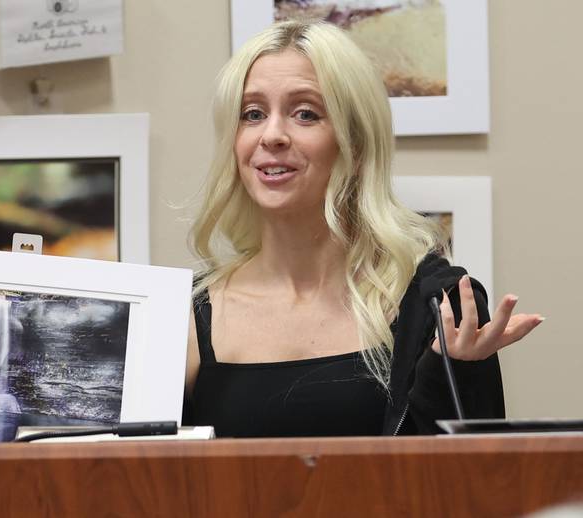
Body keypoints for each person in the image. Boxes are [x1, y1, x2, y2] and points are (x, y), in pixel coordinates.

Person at [181, 21, 543, 437]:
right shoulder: (185, 318)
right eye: (253, 114)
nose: (273, 135)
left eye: (305, 113)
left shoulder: (437, 306)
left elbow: (474, 490)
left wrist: (451, 374)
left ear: (355, 142)